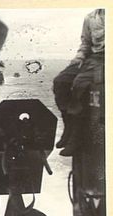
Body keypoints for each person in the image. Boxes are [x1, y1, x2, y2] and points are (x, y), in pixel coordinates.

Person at [53, 9, 104, 156]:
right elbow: (86, 43)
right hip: (92, 58)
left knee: (80, 84)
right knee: (61, 81)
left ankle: (77, 136)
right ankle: (68, 127)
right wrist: (79, 58)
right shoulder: (91, 17)